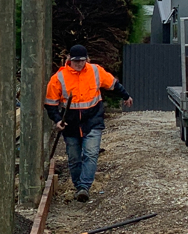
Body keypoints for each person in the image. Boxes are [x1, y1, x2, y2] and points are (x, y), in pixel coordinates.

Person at [44, 44, 133, 202]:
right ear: (69, 60)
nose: (79, 64)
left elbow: (113, 84)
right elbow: (50, 104)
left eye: (82, 61)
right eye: (76, 61)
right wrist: (57, 120)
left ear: (87, 60)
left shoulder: (95, 71)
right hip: (70, 125)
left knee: (91, 153)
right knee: (74, 158)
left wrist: (126, 96)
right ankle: (79, 186)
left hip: (92, 120)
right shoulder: (58, 78)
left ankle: (84, 187)